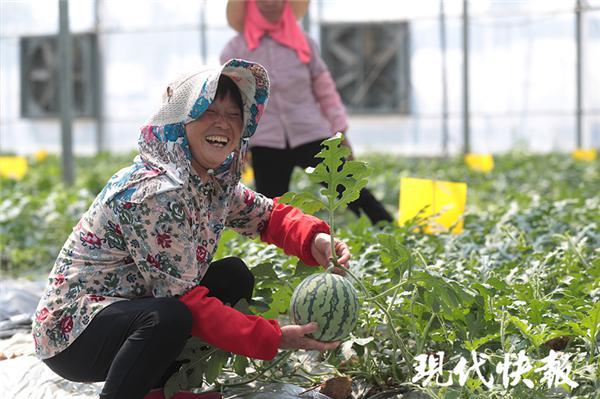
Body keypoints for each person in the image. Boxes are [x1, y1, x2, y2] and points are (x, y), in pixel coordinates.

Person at [32, 59, 351, 399]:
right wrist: (274, 337)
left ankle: (161, 390)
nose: (222, 124)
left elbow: (266, 216)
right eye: (207, 111)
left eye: (233, 114)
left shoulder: (207, 182)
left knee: (232, 276)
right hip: (74, 334)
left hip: (128, 310)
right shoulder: (154, 192)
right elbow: (187, 302)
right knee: (170, 316)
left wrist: (314, 238)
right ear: (180, 119)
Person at [220, 0, 394, 225]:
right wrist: (236, 146)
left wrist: (340, 132)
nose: (271, 4)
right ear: (250, 5)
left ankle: (388, 228)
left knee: (349, 188)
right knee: (270, 212)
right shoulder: (234, 50)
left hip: (312, 132)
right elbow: (234, 102)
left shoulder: (303, 43)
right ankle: (279, 254)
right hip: (266, 141)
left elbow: (325, 90)